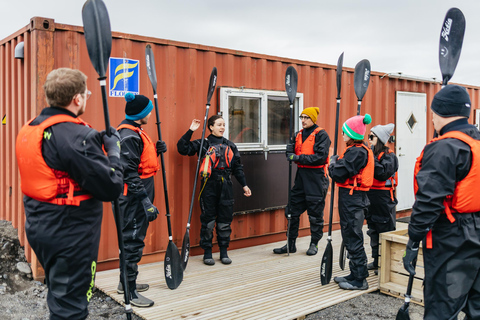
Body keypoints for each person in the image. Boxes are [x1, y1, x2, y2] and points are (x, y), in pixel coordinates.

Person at [15, 68, 124, 319]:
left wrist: (96, 140)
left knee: (60, 294)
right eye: (85, 93)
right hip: (71, 236)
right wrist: (114, 151)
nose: (86, 97)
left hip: (40, 227)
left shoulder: (33, 127)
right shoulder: (78, 136)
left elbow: (61, 157)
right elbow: (111, 187)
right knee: (72, 308)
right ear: (77, 99)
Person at [403, 85, 480, 320]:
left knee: (442, 306)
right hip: (477, 229)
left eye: (433, 113)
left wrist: (414, 237)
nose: (432, 118)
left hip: (453, 237)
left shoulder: (444, 147)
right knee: (476, 306)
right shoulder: (475, 140)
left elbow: (429, 200)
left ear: (439, 113)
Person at [177, 115, 252, 265]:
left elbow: (237, 167)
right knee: (208, 220)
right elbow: (182, 148)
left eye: (224, 124)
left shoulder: (230, 145)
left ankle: (223, 251)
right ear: (211, 127)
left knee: (225, 220)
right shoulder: (203, 144)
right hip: (208, 185)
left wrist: (244, 185)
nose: (222, 127)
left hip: (226, 185)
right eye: (219, 124)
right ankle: (208, 252)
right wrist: (191, 131)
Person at [116, 92, 166, 307]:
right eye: (148, 112)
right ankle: (130, 292)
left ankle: (123, 283)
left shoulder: (134, 131)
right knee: (133, 241)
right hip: (134, 195)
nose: (151, 114)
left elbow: (137, 162)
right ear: (141, 115)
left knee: (131, 239)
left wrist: (155, 150)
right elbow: (130, 173)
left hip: (139, 189)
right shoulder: (129, 136)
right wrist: (146, 203)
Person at [273, 107, 331, 256]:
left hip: (316, 178)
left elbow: (320, 156)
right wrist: (289, 152)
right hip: (301, 177)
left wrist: (298, 158)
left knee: (315, 214)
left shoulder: (322, 135)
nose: (303, 120)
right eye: (302, 117)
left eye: (306, 117)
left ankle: (314, 244)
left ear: (313, 119)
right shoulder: (297, 134)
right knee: (291, 210)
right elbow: (291, 153)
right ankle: (290, 244)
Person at [329, 114, 374, 290]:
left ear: (352, 134)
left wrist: (333, 163)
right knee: (349, 235)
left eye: (344, 131)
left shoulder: (357, 152)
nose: (342, 134)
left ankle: (360, 279)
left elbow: (339, 173)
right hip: (351, 196)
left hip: (353, 198)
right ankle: (354, 273)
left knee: (353, 236)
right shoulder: (356, 150)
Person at [365, 123, 398, 272]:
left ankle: (386, 264)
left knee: (385, 230)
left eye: (372, 137)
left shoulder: (389, 157)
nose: (369, 139)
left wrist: (371, 159)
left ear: (380, 139)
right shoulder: (369, 153)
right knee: (373, 230)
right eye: (368, 136)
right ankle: (376, 261)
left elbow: (382, 173)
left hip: (384, 198)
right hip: (370, 196)